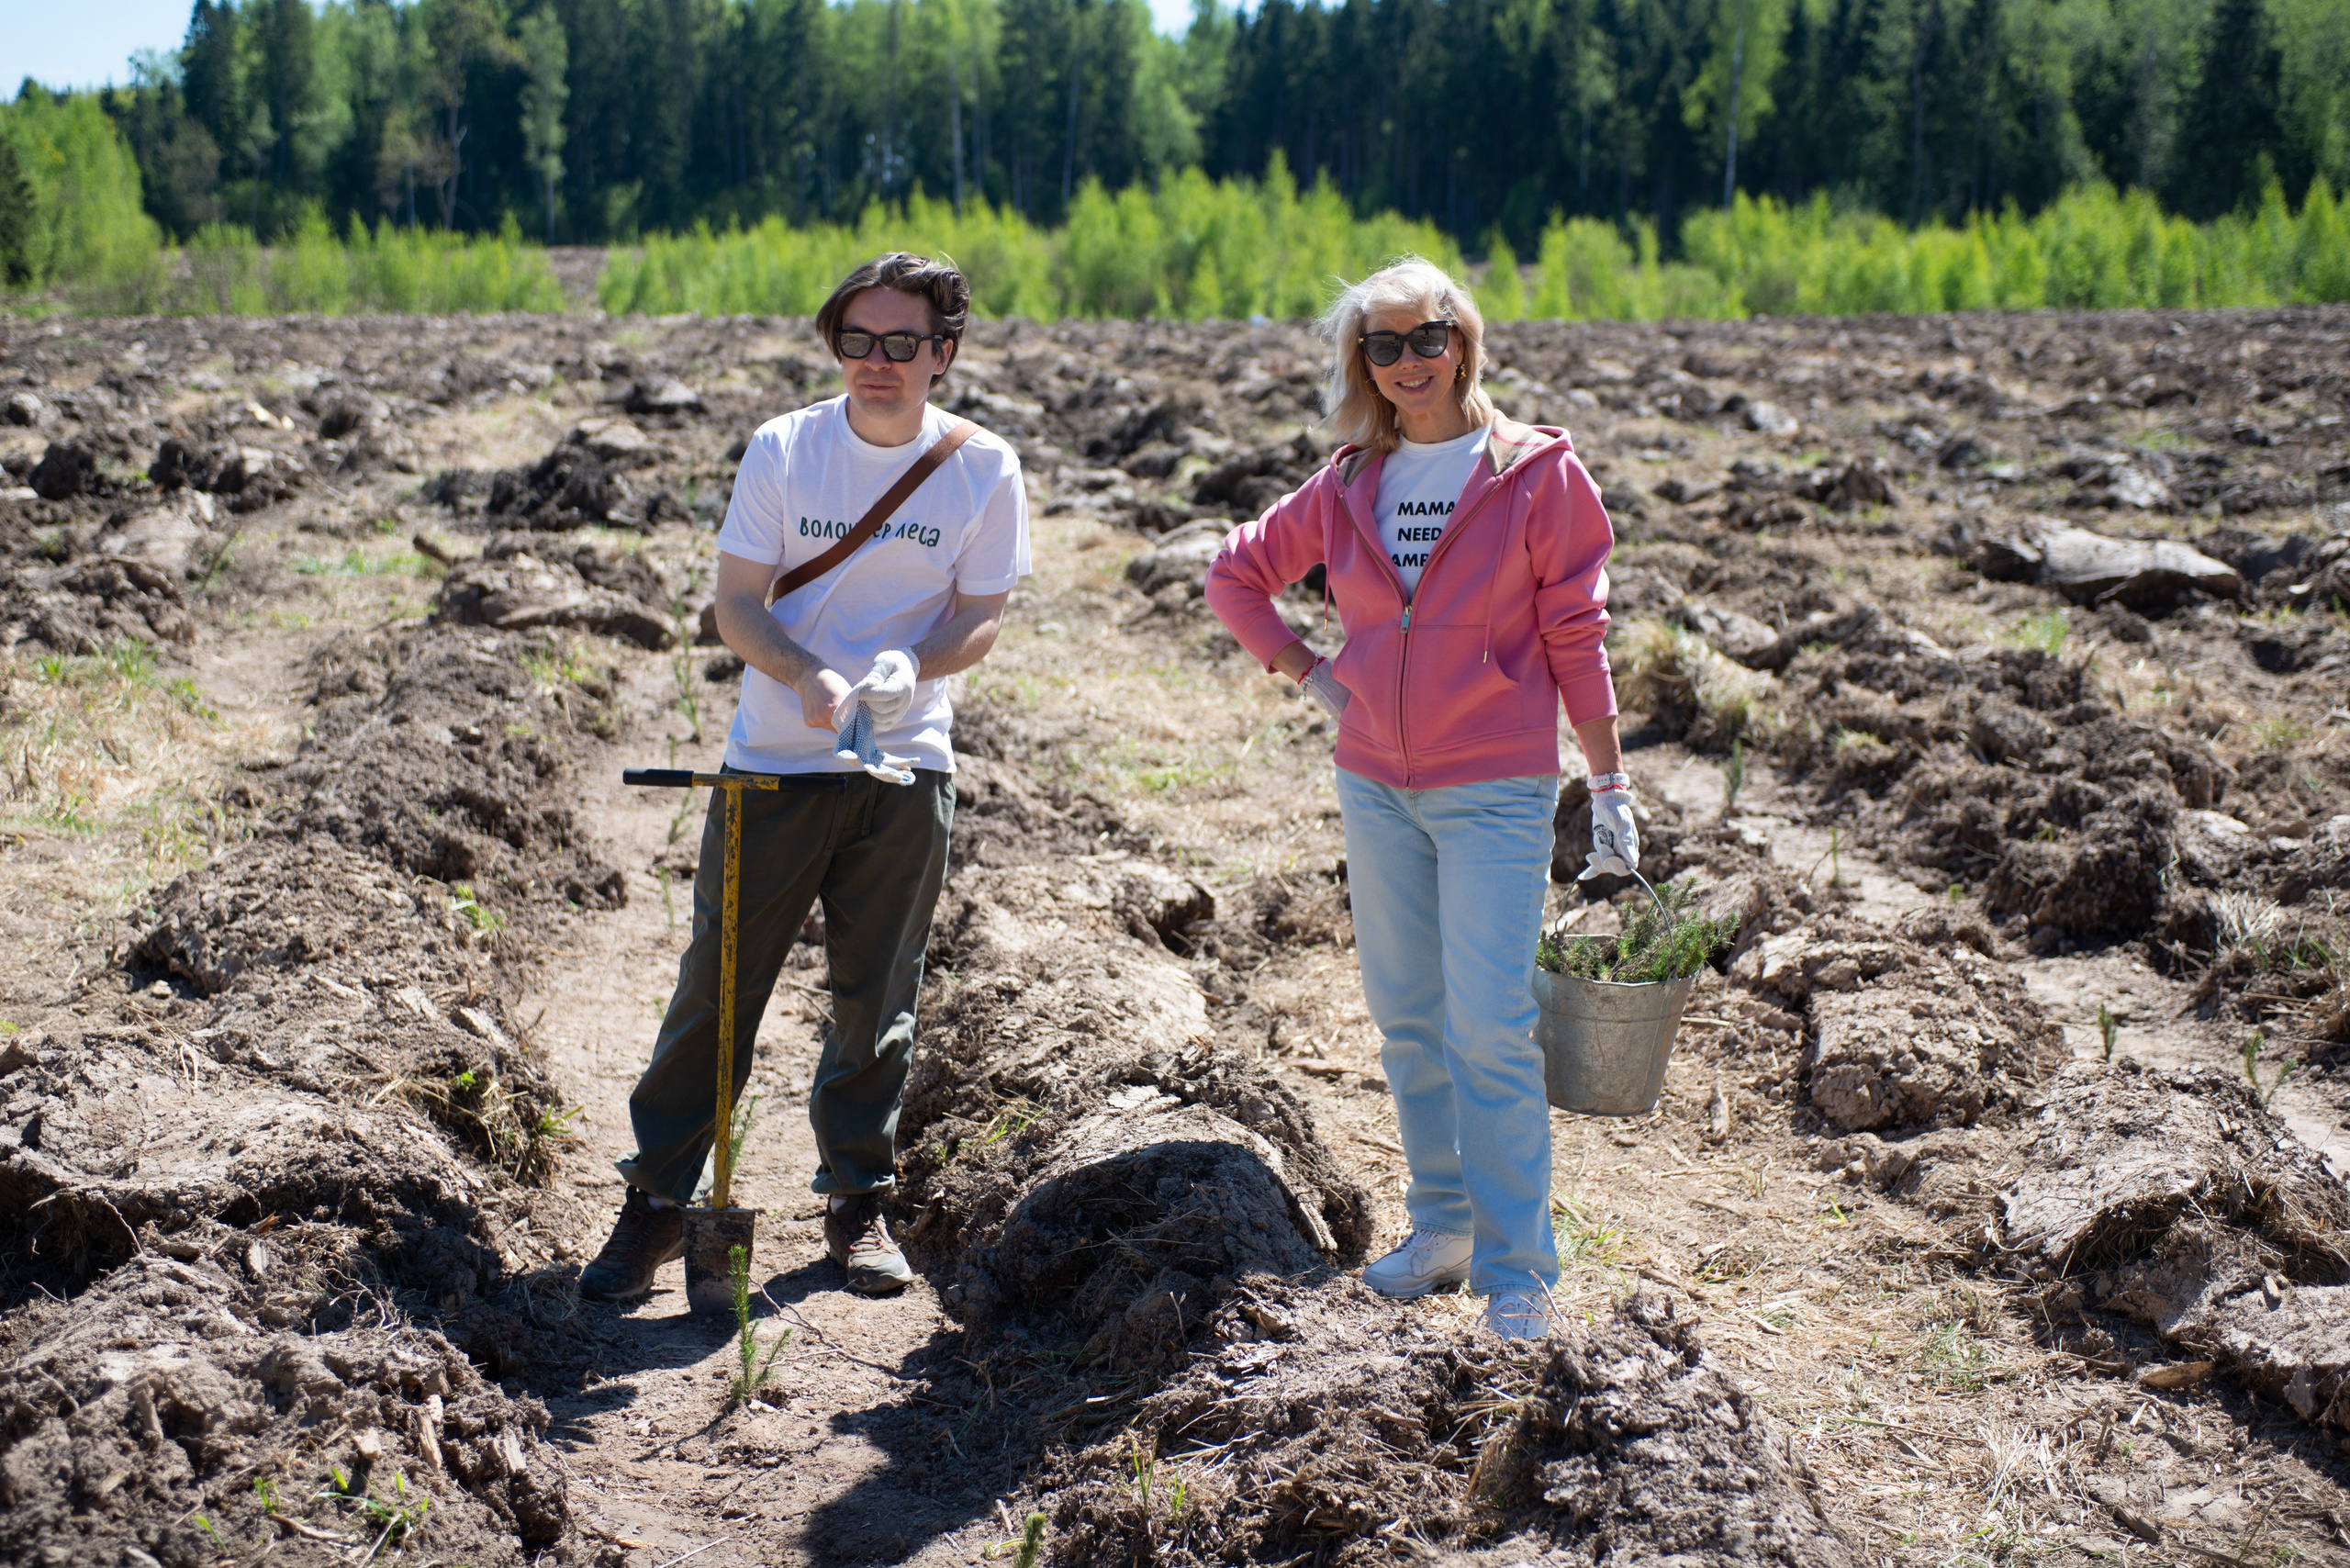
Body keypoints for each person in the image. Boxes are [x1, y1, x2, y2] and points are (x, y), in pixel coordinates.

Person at [580, 252, 1031, 1302]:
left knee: (878, 998)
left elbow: (981, 615)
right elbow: (736, 604)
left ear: (943, 353)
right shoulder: (786, 448)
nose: (878, 361)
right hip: (774, 765)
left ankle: (858, 1201)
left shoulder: (982, 467)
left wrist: (907, 666)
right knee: (718, 988)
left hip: (905, 766)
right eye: (857, 340)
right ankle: (655, 1201)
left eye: (903, 342)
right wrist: (807, 676)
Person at [1202, 256, 1634, 1340]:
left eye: (1425, 338)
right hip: (1375, 784)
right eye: (1383, 345)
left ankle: (1518, 1270)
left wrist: (1608, 779)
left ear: (1462, 341)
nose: (1408, 362)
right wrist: (1313, 675)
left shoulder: (1534, 473)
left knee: (1488, 1024)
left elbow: (1575, 633)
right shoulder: (1350, 479)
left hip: (1493, 785)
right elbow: (1233, 575)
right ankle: (1442, 1225)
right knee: (1407, 1018)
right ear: (1363, 361)